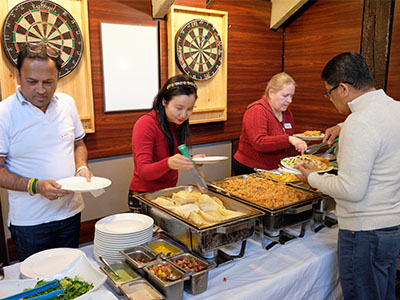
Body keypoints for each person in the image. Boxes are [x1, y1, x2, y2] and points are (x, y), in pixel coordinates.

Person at [296, 52, 400, 300]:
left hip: (363, 234)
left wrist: (311, 177)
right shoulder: (394, 108)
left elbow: (351, 189)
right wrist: (342, 126)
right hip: (391, 228)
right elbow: (379, 129)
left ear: (342, 88)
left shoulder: (359, 123)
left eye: (328, 93)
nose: (330, 100)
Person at [0, 42, 92, 261]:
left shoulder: (67, 104)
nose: (41, 90)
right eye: (32, 82)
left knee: (71, 276)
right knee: (39, 284)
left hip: (70, 213)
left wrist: (82, 167)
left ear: (58, 78)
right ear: (17, 76)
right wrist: (35, 185)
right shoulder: (4, 112)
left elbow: (78, 143)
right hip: (31, 223)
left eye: (48, 82)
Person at [128, 74, 200, 211]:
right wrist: (169, 163)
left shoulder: (175, 122)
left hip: (167, 194)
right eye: (179, 108)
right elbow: (143, 171)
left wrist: (190, 160)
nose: (184, 115)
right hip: (144, 196)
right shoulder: (146, 124)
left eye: (189, 109)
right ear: (164, 102)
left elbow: (173, 155)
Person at [233, 72, 307, 175]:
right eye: (285, 96)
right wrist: (289, 139)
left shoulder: (286, 113)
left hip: (275, 169)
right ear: (271, 93)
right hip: (251, 168)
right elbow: (259, 142)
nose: (289, 100)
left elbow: (284, 140)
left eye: (291, 96)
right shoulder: (257, 110)